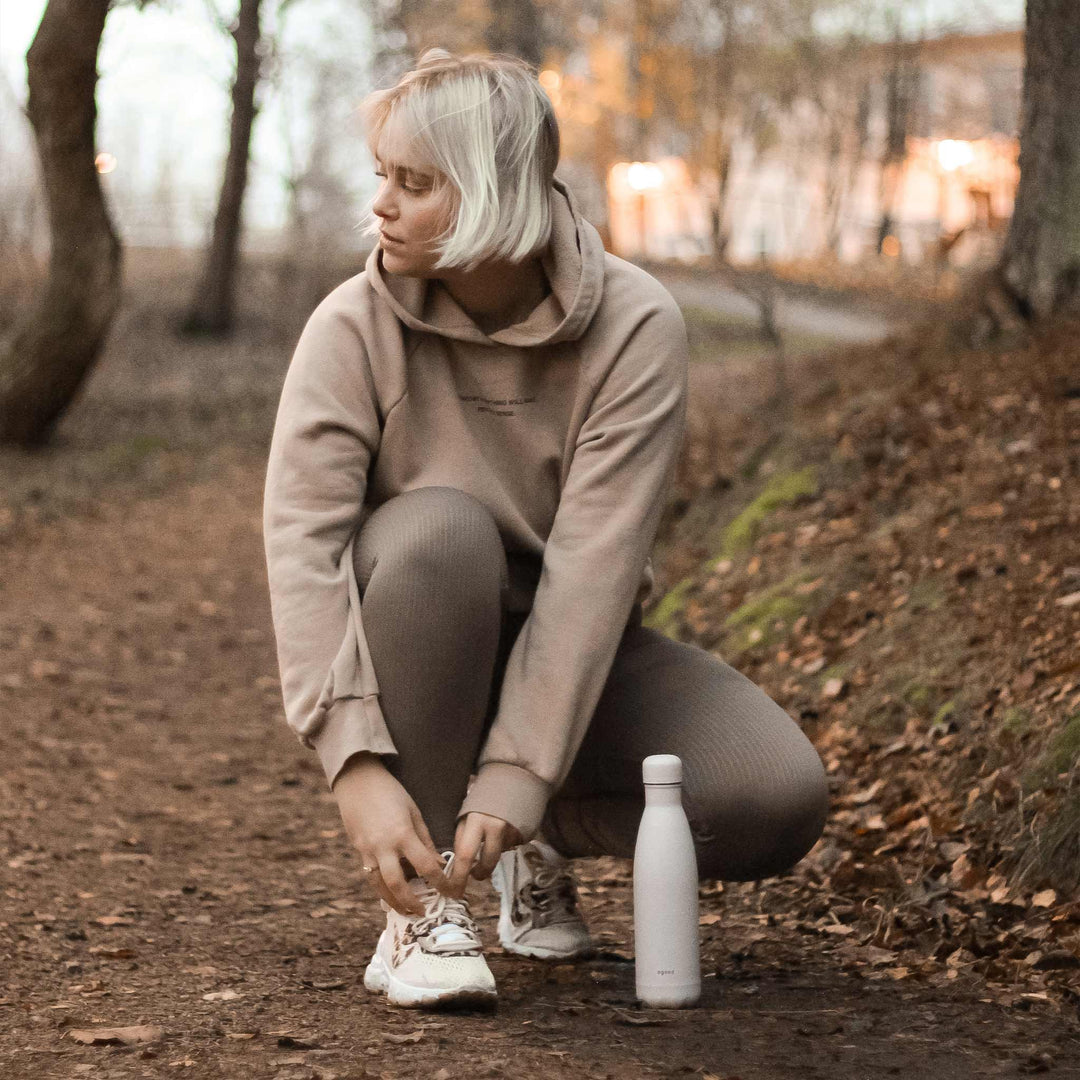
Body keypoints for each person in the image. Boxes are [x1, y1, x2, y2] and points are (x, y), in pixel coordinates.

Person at [262, 48, 828, 1010]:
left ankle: (529, 840)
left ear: (488, 194)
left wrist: (520, 780)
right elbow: (302, 546)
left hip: (571, 656)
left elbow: (591, 574)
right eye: (381, 178)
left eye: (415, 182)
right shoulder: (352, 325)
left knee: (773, 795)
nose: (382, 207)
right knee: (443, 532)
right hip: (419, 634)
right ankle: (426, 908)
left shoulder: (634, 325)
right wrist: (352, 760)